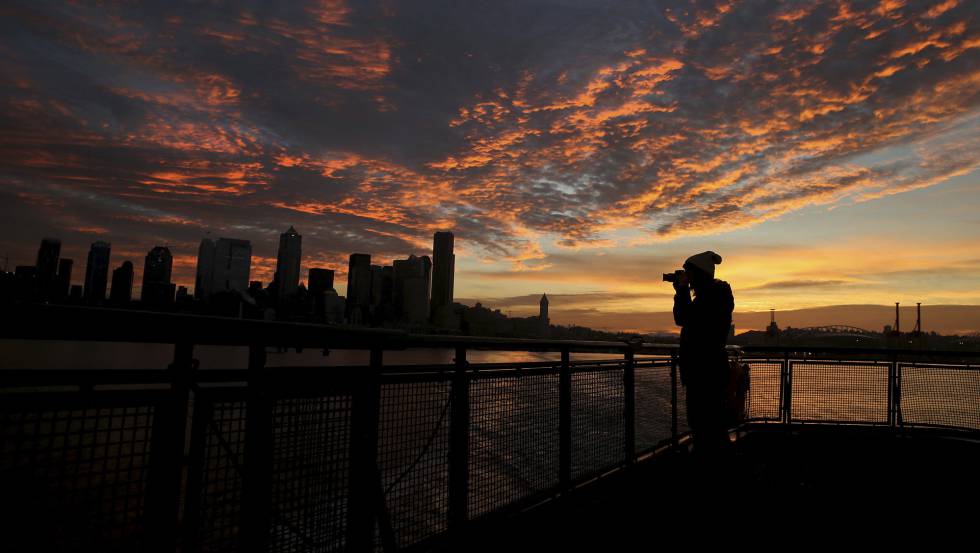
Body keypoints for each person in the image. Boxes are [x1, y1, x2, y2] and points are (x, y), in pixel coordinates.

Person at [672, 250, 735, 458]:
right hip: (711, 369)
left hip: (703, 371)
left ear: (698, 274)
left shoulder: (709, 298)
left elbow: (683, 317)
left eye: (688, 273)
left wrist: (681, 291)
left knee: (703, 423)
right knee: (713, 424)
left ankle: (708, 467)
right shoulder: (716, 296)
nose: (686, 277)